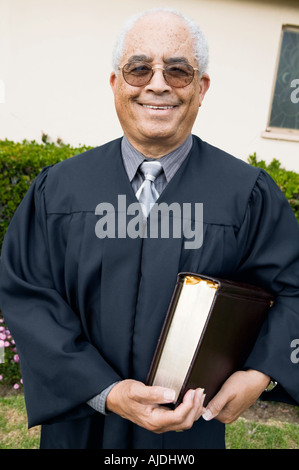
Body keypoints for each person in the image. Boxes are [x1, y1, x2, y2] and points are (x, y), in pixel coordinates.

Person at [0, 8, 298, 450]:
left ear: (202, 88)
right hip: (81, 424)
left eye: (178, 71)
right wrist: (106, 391)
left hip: (189, 429)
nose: (157, 84)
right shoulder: (58, 191)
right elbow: (28, 295)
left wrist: (261, 372)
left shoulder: (247, 194)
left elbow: (292, 290)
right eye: (139, 69)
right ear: (115, 84)